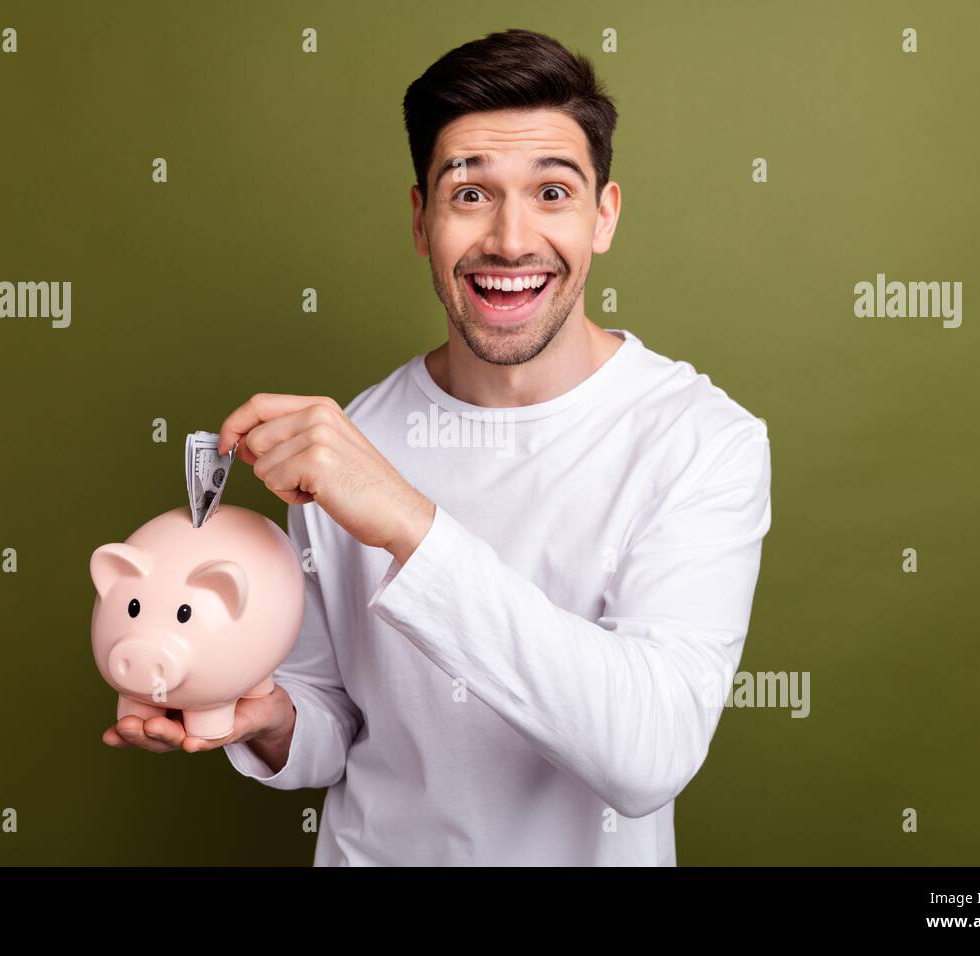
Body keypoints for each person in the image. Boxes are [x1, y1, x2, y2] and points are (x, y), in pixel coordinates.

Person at [103, 28, 772, 866]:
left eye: (553, 193)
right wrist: (270, 719)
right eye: (470, 194)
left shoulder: (702, 441)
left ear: (604, 216)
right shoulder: (353, 437)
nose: (510, 240)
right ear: (422, 220)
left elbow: (650, 755)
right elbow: (334, 721)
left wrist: (409, 525)